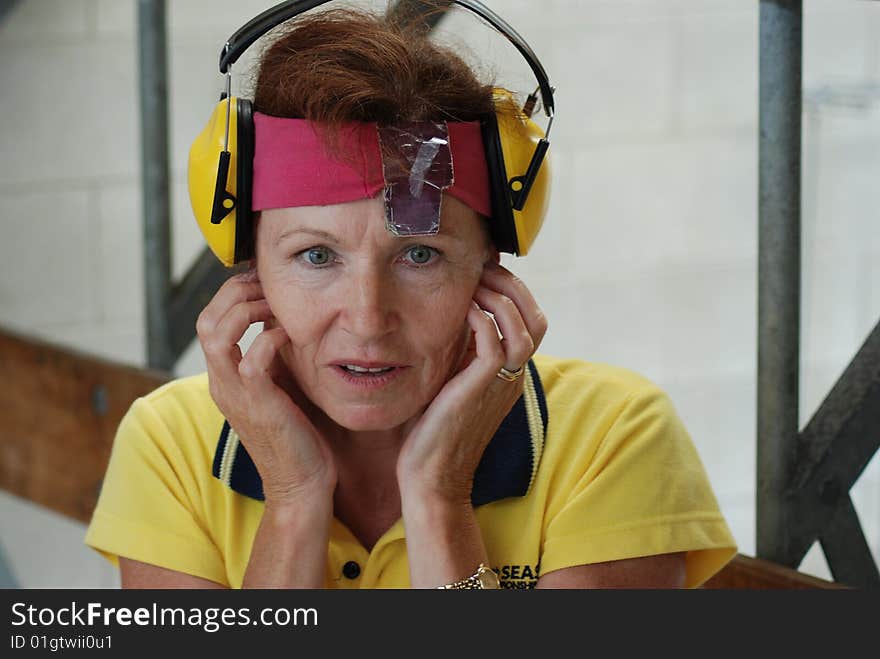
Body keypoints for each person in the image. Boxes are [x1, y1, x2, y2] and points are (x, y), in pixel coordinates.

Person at [85, 3, 737, 589]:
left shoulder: (615, 437)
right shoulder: (169, 443)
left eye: (419, 254)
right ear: (252, 266)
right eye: (316, 255)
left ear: (490, 263)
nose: (368, 319)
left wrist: (439, 497)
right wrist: (293, 496)